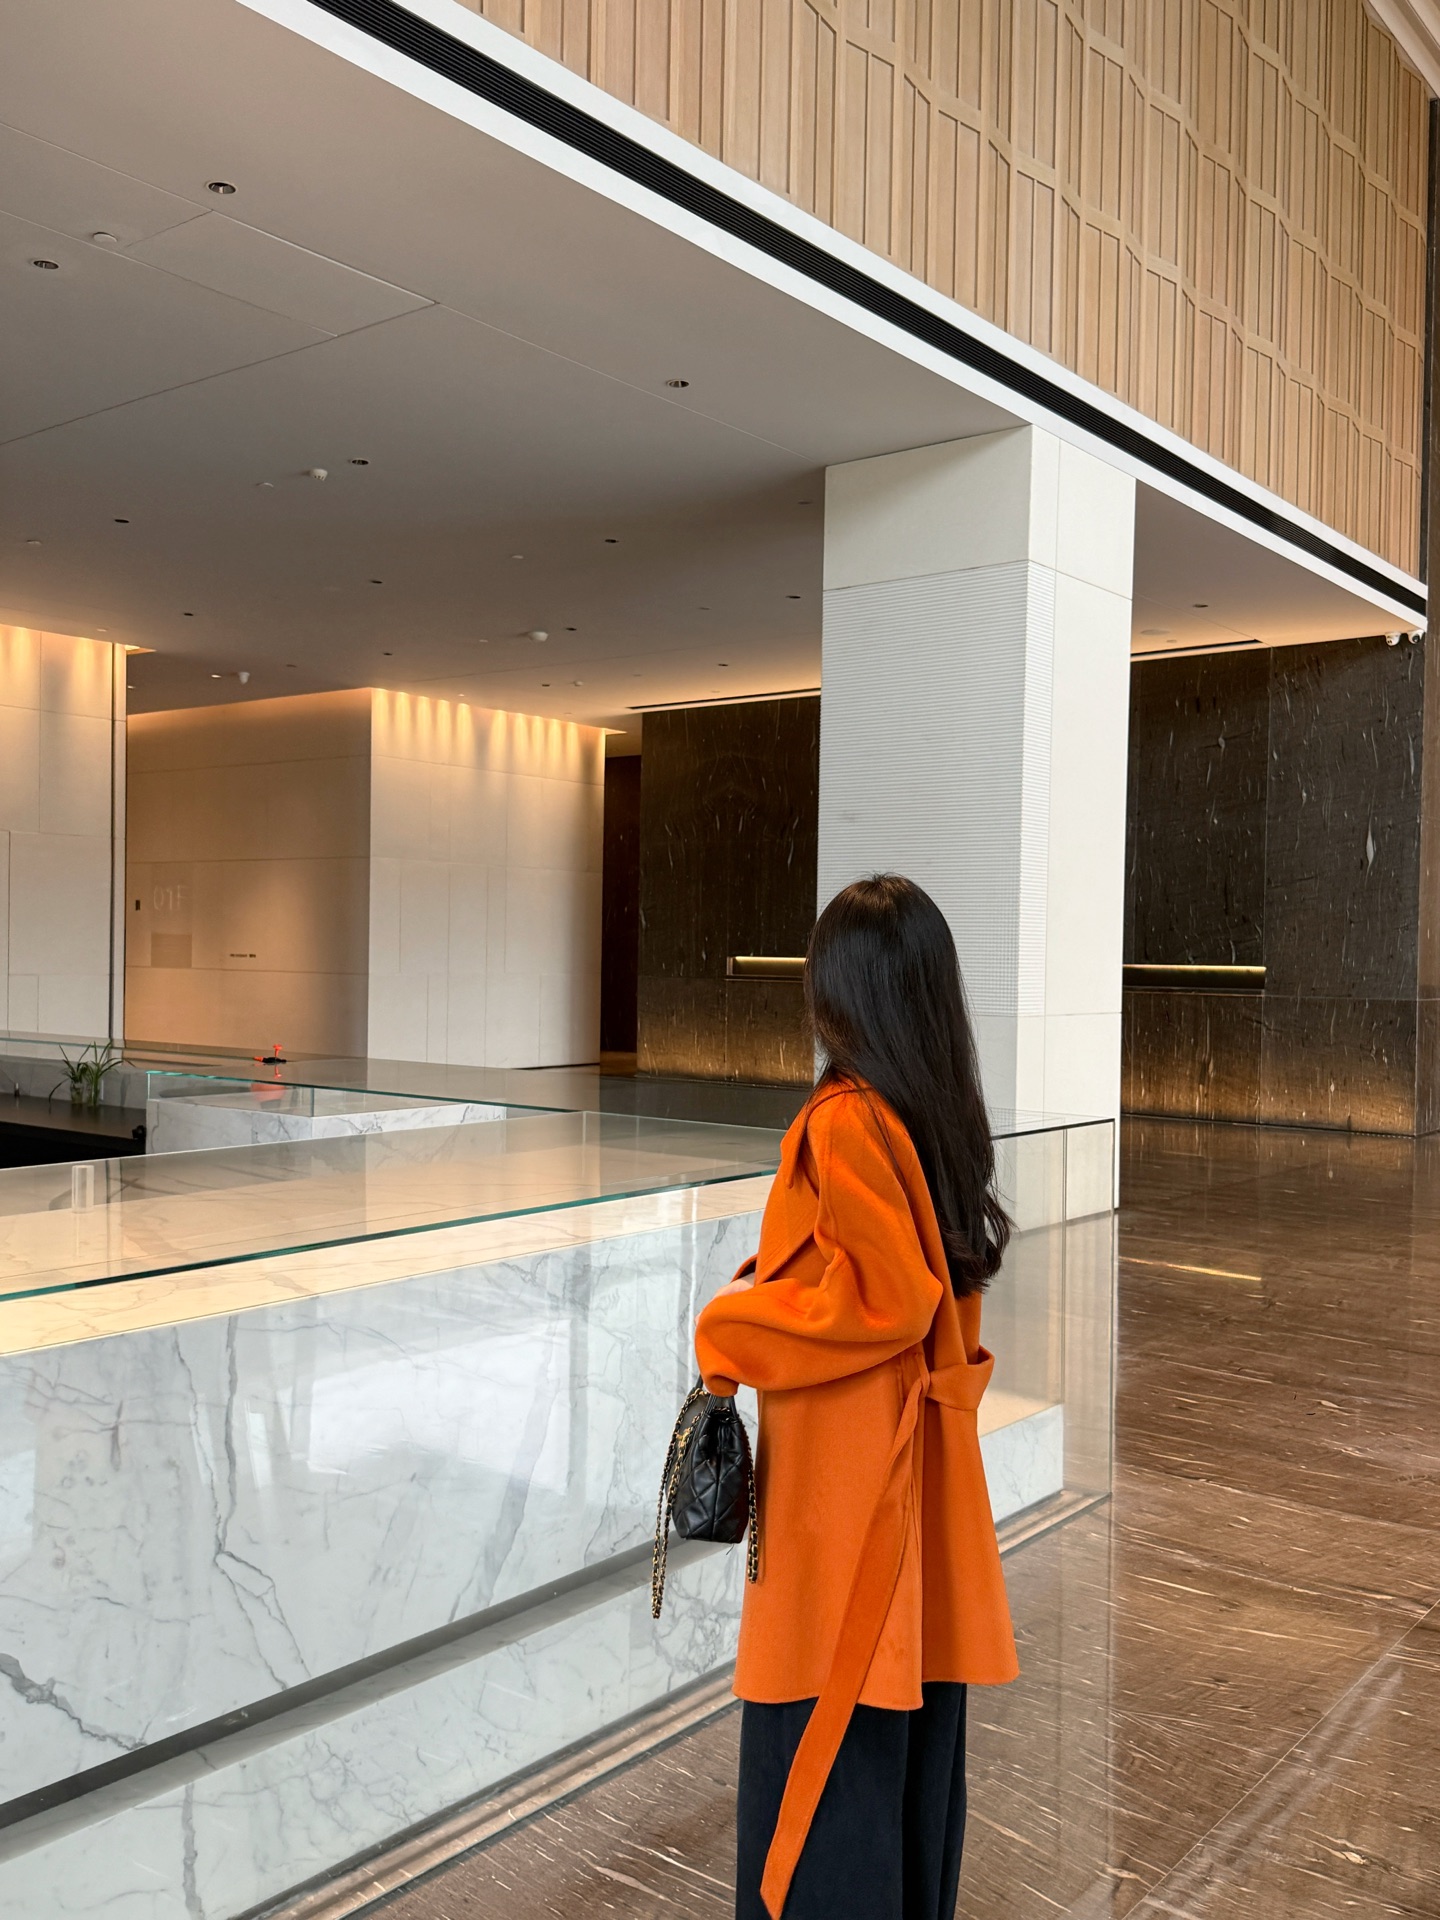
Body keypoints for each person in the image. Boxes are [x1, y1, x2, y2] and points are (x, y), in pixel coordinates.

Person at [695, 874, 1019, 1920]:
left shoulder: (842, 1121)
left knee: (825, 1768)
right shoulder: (933, 1115)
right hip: (914, 1497)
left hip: (848, 1510)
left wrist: (731, 1328)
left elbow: (881, 1296)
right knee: (903, 1761)